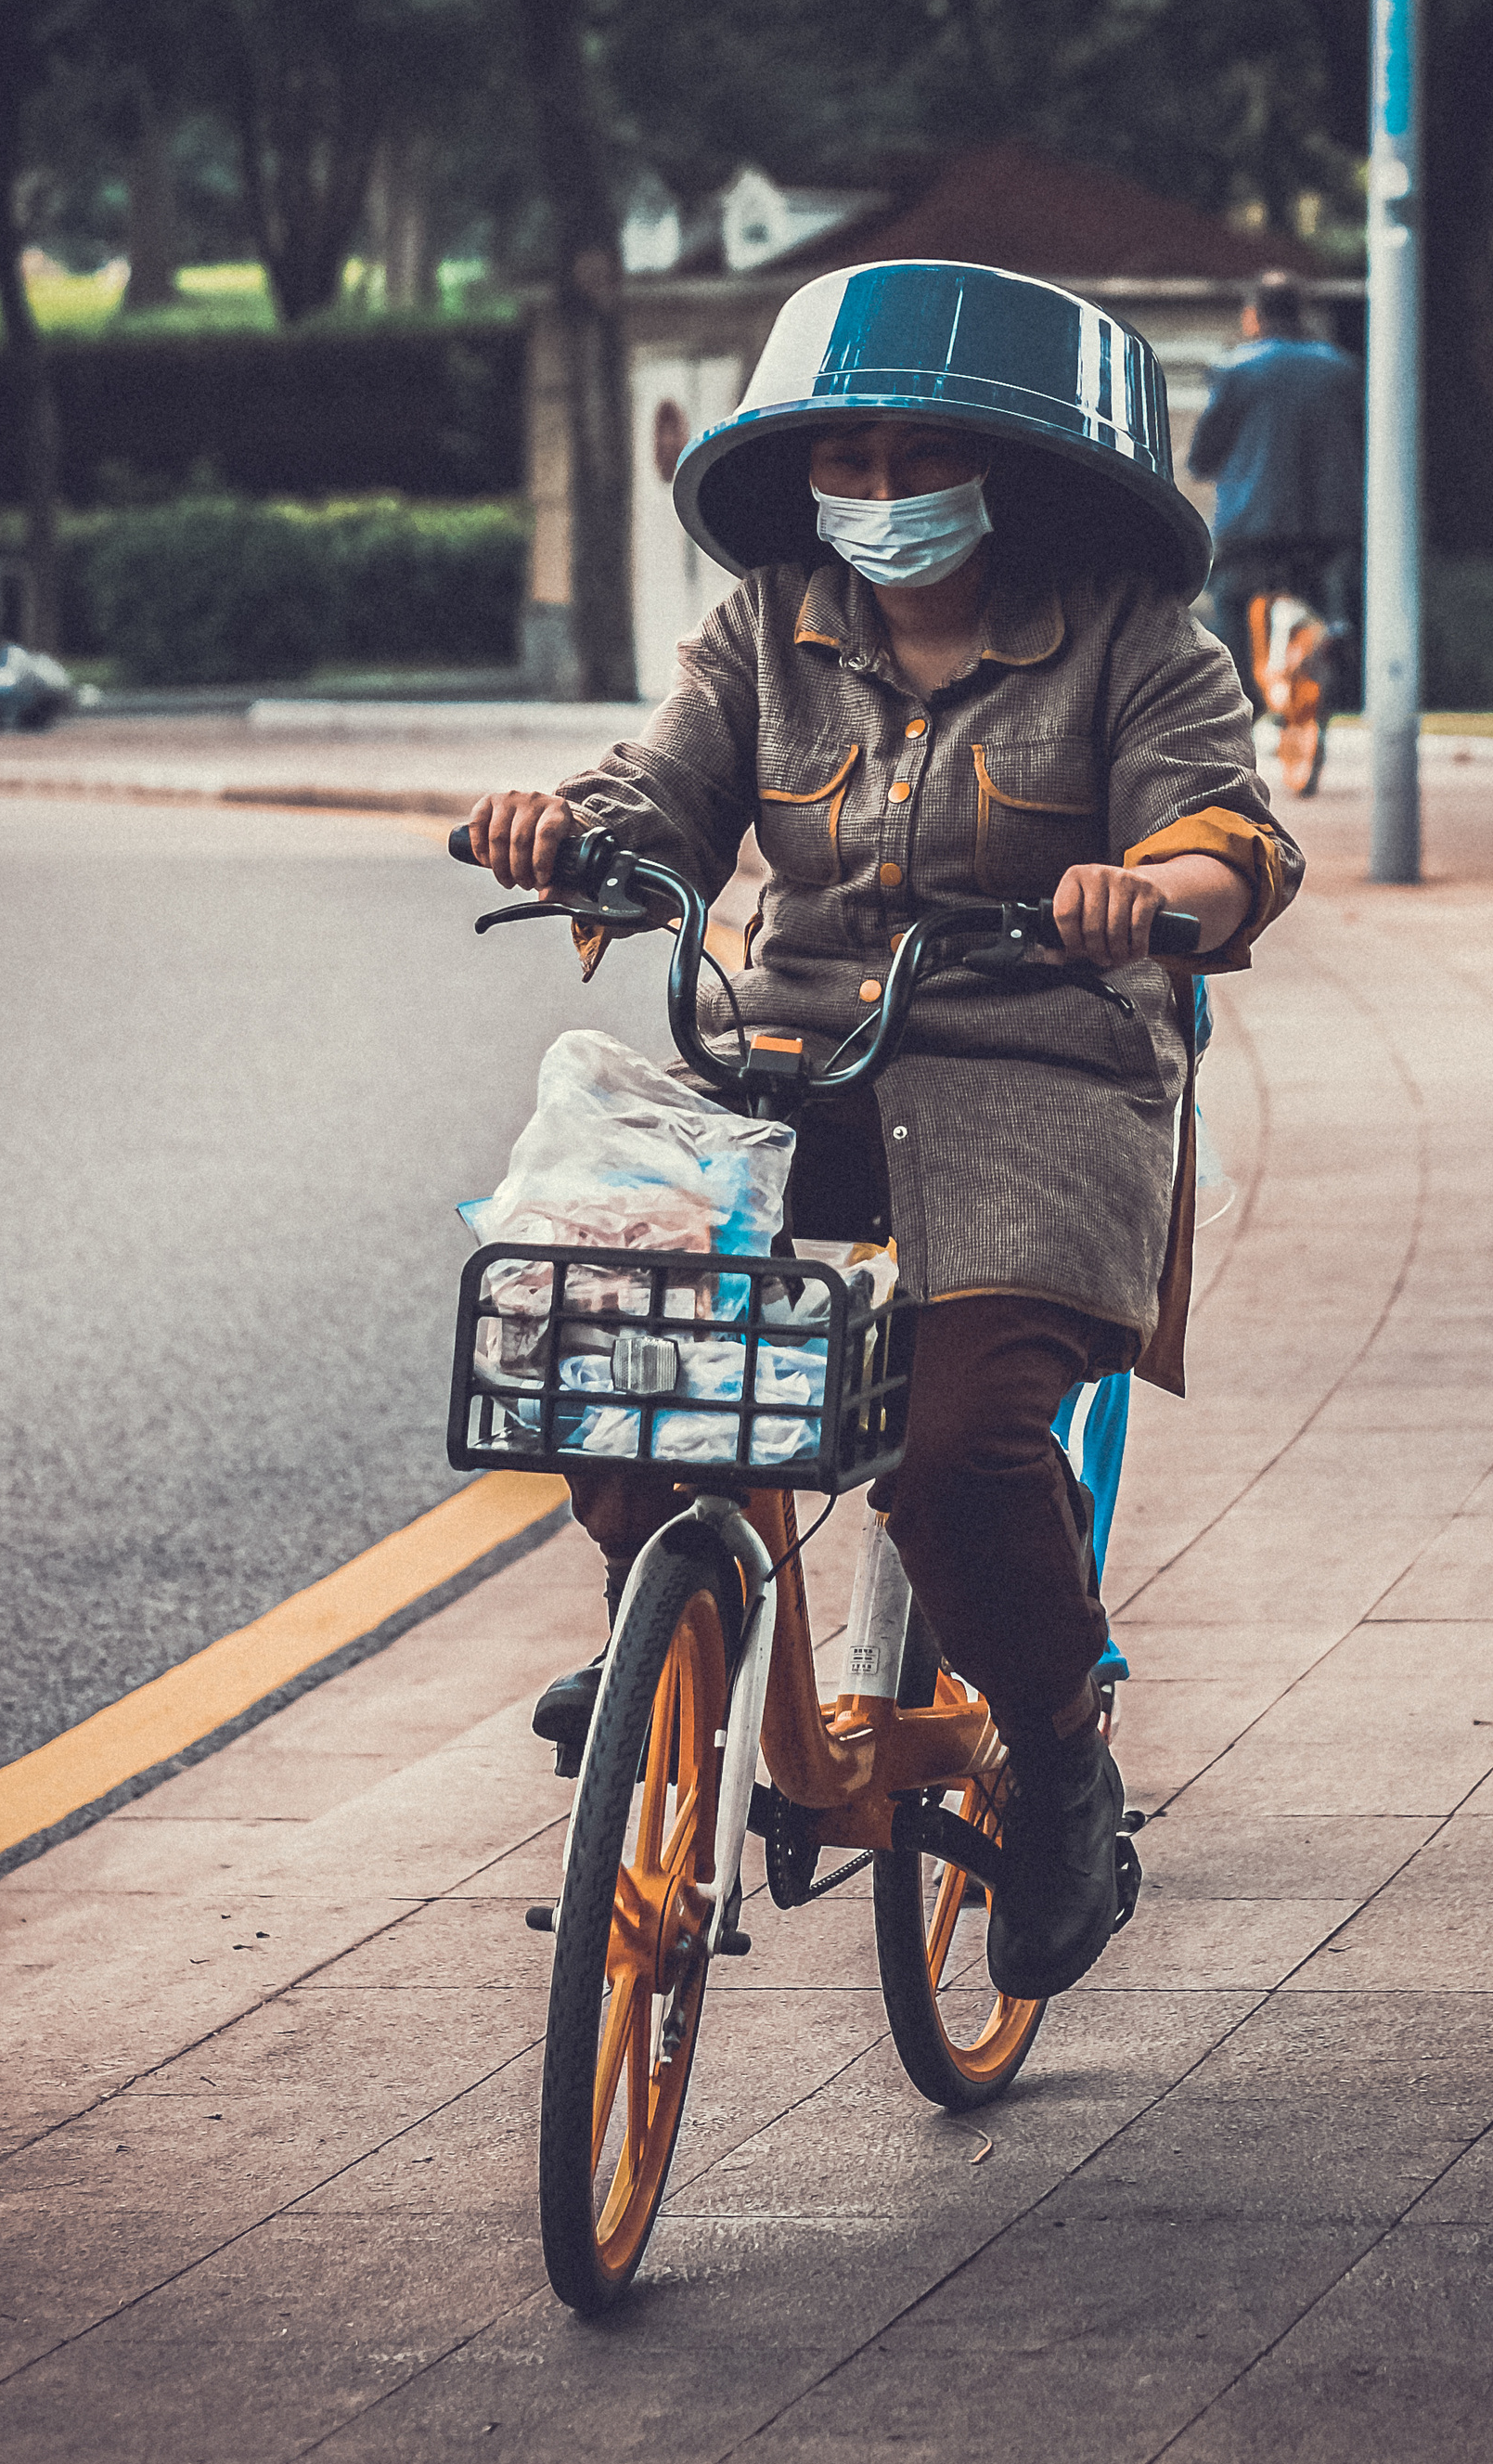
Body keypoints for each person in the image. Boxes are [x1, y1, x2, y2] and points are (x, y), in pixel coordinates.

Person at [468, 259, 1302, 2003]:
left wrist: (1147, 890)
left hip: (1042, 1084)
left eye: (923, 455)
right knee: (607, 1309)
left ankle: (1064, 1764)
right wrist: (568, 830)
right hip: (787, 1066)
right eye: (845, 453)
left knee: (958, 1448)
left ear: (1022, 472)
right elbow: (667, 796)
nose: (879, 492)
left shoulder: (1138, 643)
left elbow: (1234, 846)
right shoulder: (769, 622)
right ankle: (661, 1612)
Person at [1187, 271, 1363, 714]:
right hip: (1328, 523)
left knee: (1228, 596)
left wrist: (1202, 465)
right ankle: (1331, 637)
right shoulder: (1341, 369)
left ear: (1253, 316)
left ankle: (1236, 700)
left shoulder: (1236, 370)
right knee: (1324, 594)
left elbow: (1207, 451)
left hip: (1252, 526)